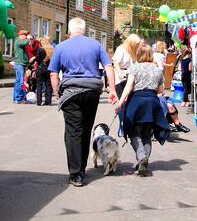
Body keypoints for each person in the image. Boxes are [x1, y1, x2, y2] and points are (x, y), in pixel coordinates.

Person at [49, 18, 118, 187]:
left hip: (71, 93)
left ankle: (76, 174)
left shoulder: (61, 46)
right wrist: (113, 89)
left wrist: (57, 92)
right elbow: (109, 66)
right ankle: (81, 168)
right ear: (84, 30)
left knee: (73, 132)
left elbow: (53, 73)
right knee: (86, 129)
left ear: (70, 31)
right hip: (92, 92)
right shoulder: (95, 45)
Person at [114, 44, 171, 176]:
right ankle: (144, 159)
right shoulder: (157, 70)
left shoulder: (135, 68)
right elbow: (161, 90)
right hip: (152, 104)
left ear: (138, 55)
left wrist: (120, 102)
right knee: (146, 133)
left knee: (133, 131)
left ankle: (141, 157)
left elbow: (128, 87)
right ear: (150, 55)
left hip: (136, 103)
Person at [112, 33, 141, 99]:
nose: (137, 45)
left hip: (129, 75)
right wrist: (120, 73)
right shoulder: (121, 49)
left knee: (130, 99)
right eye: (136, 44)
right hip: (121, 78)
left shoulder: (132, 50)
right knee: (123, 99)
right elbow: (116, 62)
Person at [35, 35, 54, 106]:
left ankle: (39, 102)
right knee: (48, 85)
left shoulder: (40, 49)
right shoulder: (51, 49)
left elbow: (37, 59)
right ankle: (48, 101)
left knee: (39, 85)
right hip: (49, 68)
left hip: (41, 68)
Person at [13, 30, 30, 104]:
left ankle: (16, 98)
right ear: (21, 35)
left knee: (18, 81)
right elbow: (25, 42)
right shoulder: (18, 41)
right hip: (19, 64)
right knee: (20, 82)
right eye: (25, 35)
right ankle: (18, 98)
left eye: (26, 35)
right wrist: (28, 39)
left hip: (21, 64)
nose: (26, 36)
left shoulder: (21, 42)